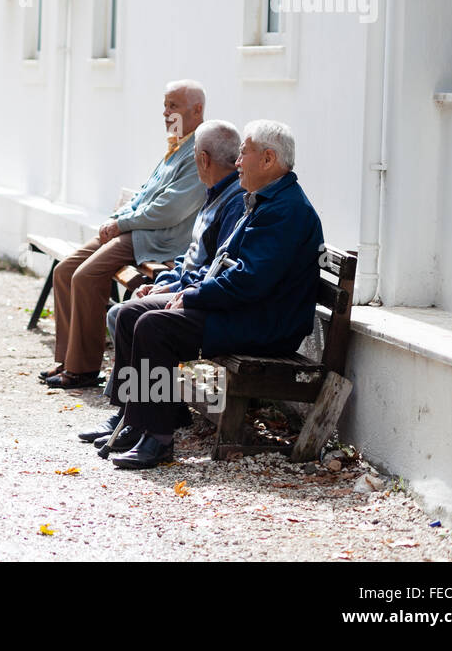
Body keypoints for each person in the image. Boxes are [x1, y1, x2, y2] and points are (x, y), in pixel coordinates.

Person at [101, 120, 324, 469]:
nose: (237, 161)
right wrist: (190, 288)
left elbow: (250, 281)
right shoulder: (266, 199)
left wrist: (194, 296)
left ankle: (158, 439)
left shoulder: (285, 211)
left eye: (244, 153)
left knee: (154, 326)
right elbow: (227, 265)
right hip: (243, 309)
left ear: (267, 159)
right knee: (131, 314)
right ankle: (137, 420)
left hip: (264, 324)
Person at [80, 119, 246, 445]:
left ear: (203, 159)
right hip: (194, 290)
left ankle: (146, 422)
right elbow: (192, 257)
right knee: (123, 313)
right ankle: (130, 414)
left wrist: (180, 289)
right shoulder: (215, 194)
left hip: (210, 303)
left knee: (140, 319)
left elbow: (218, 268)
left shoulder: (234, 201)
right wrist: (167, 282)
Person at [40, 80, 208, 389]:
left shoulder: (199, 150)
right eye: (165, 104)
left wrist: (122, 224)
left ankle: (83, 370)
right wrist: (117, 218)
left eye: (173, 106)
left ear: (197, 110)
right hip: (135, 230)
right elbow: (145, 192)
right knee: (64, 271)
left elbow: (169, 209)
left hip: (156, 239)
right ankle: (66, 360)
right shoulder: (176, 145)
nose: (165, 112)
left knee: (85, 277)